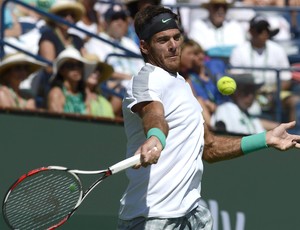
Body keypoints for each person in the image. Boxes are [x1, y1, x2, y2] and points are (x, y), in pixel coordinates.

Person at [118, 5, 300, 230]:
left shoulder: (182, 85)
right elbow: (154, 115)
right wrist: (155, 137)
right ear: (144, 46)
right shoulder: (147, 80)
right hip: (152, 218)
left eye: (176, 37)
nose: (173, 45)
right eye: (163, 40)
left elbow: (210, 148)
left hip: (192, 212)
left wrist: (265, 139)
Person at [230, 15, 300, 122]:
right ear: (251, 31)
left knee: (294, 101)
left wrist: (273, 91)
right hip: (249, 93)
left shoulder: (278, 49)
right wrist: (256, 91)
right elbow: (237, 79)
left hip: (274, 91)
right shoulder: (239, 51)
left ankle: (293, 136)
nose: (263, 33)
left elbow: (286, 79)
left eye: (266, 29)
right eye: (259, 30)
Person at [84, 4, 144, 117]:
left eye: (123, 19)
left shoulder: (130, 44)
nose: (119, 22)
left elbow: (142, 69)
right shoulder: (96, 41)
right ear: (106, 23)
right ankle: (108, 120)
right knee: (122, 89)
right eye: (114, 19)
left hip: (135, 86)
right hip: (110, 86)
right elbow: (99, 70)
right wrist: (128, 77)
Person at [210, 72, 279, 134]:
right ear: (235, 92)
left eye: (253, 92)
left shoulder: (248, 115)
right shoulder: (226, 109)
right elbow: (222, 137)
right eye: (246, 91)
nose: (250, 96)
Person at [47, 47, 91, 114]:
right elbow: (56, 122)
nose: (76, 69)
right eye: (70, 65)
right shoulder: (56, 93)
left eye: (79, 65)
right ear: (61, 70)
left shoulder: (85, 94)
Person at [84, 54, 115, 118]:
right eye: (93, 68)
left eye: (99, 70)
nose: (97, 73)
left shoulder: (105, 103)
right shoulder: (72, 96)